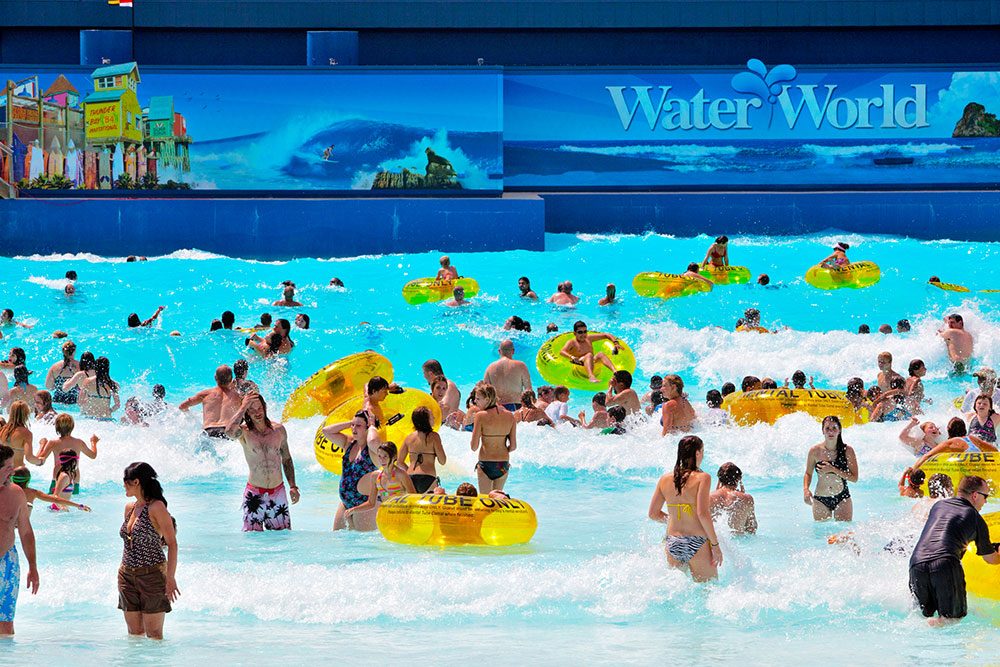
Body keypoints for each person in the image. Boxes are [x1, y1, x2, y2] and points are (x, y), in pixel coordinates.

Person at [908, 475, 999, 626]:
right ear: (975, 495)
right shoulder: (975, 517)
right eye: (985, 496)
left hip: (916, 564)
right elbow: (990, 559)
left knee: (922, 615)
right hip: (944, 564)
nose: (986, 502)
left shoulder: (938, 506)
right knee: (952, 620)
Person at [648, 435, 723, 581]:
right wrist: (715, 545)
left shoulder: (664, 479)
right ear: (697, 453)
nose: (703, 455)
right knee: (709, 589)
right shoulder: (703, 477)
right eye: (702, 451)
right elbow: (702, 513)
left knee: (675, 589)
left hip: (672, 542)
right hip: (697, 541)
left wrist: (673, 519)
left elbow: (653, 514)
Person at [119, 462, 178, 639]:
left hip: (152, 575)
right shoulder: (129, 508)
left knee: (154, 635)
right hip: (126, 575)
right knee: (134, 634)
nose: (123, 485)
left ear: (136, 482)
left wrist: (170, 577)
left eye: (126, 481)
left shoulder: (156, 507)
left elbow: (172, 544)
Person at [223, 393, 299, 531]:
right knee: (252, 536)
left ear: (264, 408)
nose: (257, 413)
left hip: (277, 492)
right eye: (252, 410)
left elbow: (286, 459)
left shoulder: (278, 430)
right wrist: (243, 406)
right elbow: (229, 432)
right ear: (247, 412)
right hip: (254, 494)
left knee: (282, 536)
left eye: (259, 408)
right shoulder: (244, 432)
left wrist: (293, 486)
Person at [0, 444, 39, 635]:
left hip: (9, 562)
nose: (13, 471)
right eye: (8, 467)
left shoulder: (16, 493)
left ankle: (8, 654)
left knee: (6, 623)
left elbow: (26, 532)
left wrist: (33, 566)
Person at [325, 411, 380, 531]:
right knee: (338, 539)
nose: (354, 429)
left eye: (358, 426)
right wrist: (351, 422)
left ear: (367, 428)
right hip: (345, 503)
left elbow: (372, 441)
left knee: (363, 541)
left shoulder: (373, 450)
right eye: (353, 425)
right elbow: (326, 431)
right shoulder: (348, 443)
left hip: (366, 503)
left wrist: (372, 425)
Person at [802, 416, 859, 521]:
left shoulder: (847, 451)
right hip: (820, 499)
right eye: (827, 428)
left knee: (844, 530)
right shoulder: (815, 451)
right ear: (823, 431)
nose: (830, 432)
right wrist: (806, 489)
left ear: (840, 430)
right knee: (820, 530)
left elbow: (854, 478)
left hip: (842, 498)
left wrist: (833, 469)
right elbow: (808, 473)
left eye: (834, 428)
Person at [346, 442, 415, 521]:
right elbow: (371, 503)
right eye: (379, 456)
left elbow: (414, 498)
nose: (382, 460)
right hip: (386, 517)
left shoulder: (401, 475)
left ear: (394, 457)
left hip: (402, 517)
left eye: (385, 456)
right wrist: (353, 509)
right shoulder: (375, 477)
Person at [470, 383, 517, 494]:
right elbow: (513, 446)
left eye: (478, 399)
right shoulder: (510, 416)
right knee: (498, 499)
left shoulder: (480, 416)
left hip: (486, 463)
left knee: (484, 499)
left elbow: (474, 447)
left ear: (487, 399)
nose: (475, 401)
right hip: (503, 464)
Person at [36, 414, 98, 493]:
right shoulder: (79, 442)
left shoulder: (53, 443)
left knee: (54, 499)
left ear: (57, 427)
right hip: (74, 481)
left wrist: (43, 444)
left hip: (58, 480)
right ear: (72, 427)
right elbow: (93, 455)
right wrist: (93, 442)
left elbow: (38, 461)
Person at [910, 418, 998, 473]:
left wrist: (913, 471)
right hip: (982, 471)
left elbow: (927, 456)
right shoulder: (973, 439)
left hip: (968, 475)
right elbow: (995, 450)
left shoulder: (949, 443)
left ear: (949, 431)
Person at [179, 365, 241, 439]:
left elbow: (182, 406)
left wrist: (193, 419)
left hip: (208, 431)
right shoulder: (237, 397)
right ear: (231, 379)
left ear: (215, 378)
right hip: (227, 431)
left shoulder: (205, 394)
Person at [398, 406, 447, 493]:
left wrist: (409, 471)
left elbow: (399, 462)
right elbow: (442, 461)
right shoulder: (434, 437)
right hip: (428, 477)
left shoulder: (409, 438)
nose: (434, 418)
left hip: (410, 477)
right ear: (425, 420)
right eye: (431, 416)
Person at [9, 466, 90, 513]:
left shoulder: (6, 490)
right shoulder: (33, 493)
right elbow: (56, 499)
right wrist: (79, 506)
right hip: (22, 526)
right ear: (28, 479)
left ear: (12, 479)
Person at [483, 339, 532, 411]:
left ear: (499, 351)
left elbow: (485, 391)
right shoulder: (521, 366)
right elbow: (529, 391)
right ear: (513, 351)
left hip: (498, 409)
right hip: (516, 407)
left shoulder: (490, 368)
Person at [709, 462, 757, 534]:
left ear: (719, 479)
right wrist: (743, 496)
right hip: (738, 540)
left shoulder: (708, 496)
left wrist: (717, 490)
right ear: (738, 479)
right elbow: (752, 529)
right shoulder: (747, 498)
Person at [0, 402, 39, 468]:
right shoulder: (26, 434)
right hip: (17, 471)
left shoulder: (2, 430)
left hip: (2, 471)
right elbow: (29, 458)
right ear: (26, 414)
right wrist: (40, 461)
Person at [45, 340, 80, 405]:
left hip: (58, 401)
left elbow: (48, 387)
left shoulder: (55, 367)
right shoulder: (79, 366)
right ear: (74, 351)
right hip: (73, 402)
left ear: (63, 351)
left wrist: (58, 387)